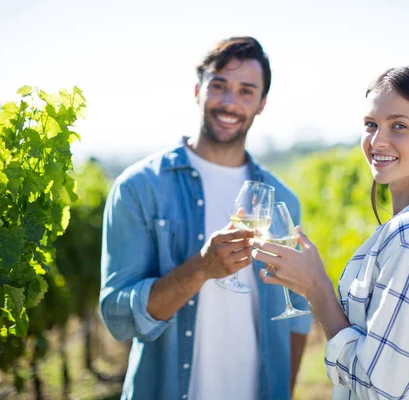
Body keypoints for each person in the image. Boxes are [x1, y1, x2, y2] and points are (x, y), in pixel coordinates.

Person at [250, 63, 409, 399]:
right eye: (371, 125)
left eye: (399, 126)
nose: (377, 141)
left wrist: (317, 288)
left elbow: (379, 388)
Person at [99, 36, 312, 400]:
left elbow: (295, 318)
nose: (230, 102)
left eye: (246, 91)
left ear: (262, 104)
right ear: (198, 90)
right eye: (219, 86)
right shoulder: (139, 187)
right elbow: (118, 316)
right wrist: (200, 269)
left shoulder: (284, 200)